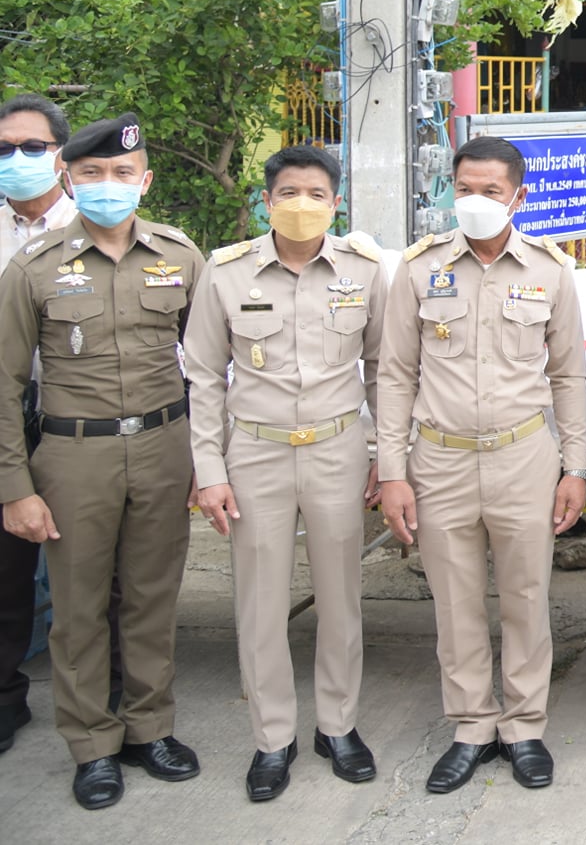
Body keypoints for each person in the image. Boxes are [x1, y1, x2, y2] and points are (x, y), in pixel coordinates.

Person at [0, 113, 205, 810]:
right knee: (79, 609)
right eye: (90, 174)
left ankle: (150, 727)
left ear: (144, 181)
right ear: (69, 179)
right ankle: (92, 743)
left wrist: (209, 462)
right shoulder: (32, 268)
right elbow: (5, 384)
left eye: (121, 174)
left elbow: (209, 367)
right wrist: (14, 486)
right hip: (73, 453)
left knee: (150, 598)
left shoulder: (179, 255)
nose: (106, 185)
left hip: (162, 444)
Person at [377, 136, 586, 795]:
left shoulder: (551, 270)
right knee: (457, 601)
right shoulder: (419, 269)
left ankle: (524, 726)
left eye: (490, 191)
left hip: (524, 455)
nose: (474, 201)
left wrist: (574, 465)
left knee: (527, 596)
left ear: (518, 197)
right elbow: (393, 375)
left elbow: (568, 375)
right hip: (438, 460)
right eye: (464, 188)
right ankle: (471, 725)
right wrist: (391, 471)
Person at [183, 144, 386, 802]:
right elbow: (204, 379)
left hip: (337, 449)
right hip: (256, 454)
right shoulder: (226, 272)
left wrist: (385, 455)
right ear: (266, 201)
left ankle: (339, 724)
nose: (303, 204)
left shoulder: (364, 269)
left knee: (341, 598)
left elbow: (385, 369)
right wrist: (208, 470)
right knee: (261, 604)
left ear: (336, 203)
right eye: (289, 192)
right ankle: (272, 737)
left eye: (316, 194)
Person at [0, 93, 77, 758]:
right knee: (5, 573)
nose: (18, 160)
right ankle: (4, 699)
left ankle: (110, 706)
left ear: (62, 155)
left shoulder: (99, 226)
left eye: (32, 147)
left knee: (93, 571)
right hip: (5, 416)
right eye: (5, 150)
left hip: (76, 421)